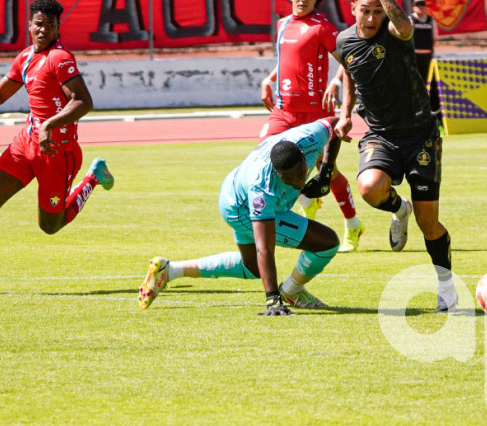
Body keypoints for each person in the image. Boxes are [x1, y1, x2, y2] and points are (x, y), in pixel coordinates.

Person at [0, 0, 114, 295]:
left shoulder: (61, 59)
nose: (44, 30)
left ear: (58, 29)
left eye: (51, 26)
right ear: (30, 25)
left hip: (57, 152)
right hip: (27, 144)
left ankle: (94, 176)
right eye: (39, 24)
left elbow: (84, 101)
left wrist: (49, 125)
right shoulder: (25, 58)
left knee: (50, 226)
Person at [335, 0, 457, 313]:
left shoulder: (395, 31)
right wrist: (344, 114)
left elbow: (404, 25)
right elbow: (349, 76)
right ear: (353, 10)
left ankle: (447, 288)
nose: (372, 17)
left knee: (429, 223)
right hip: (381, 134)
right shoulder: (343, 43)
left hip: (420, 133)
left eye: (377, 10)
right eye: (365, 10)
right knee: (370, 187)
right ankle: (396, 208)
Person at [138, 117, 344, 314]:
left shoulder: (309, 138)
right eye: (289, 179)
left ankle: (169, 270)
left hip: (234, 189)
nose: (299, 181)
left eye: (302, 173)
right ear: (276, 173)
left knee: (254, 268)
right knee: (327, 242)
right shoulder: (261, 186)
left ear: (303, 156)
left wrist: (325, 171)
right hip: (241, 207)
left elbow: (336, 124)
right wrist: (273, 299)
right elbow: (265, 246)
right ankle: (291, 292)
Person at [258, 0, 363, 252]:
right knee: (266, 158)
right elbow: (288, 59)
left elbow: (349, 62)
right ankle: (301, 205)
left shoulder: (322, 27)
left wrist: (337, 88)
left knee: (326, 170)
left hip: (314, 113)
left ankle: (353, 224)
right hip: (283, 110)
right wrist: (269, 79)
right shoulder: (282, 25)